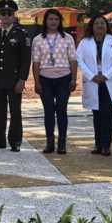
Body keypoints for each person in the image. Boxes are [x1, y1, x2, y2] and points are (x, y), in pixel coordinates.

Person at [0, 0, 32, 152]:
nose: (6, 16)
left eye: (9, 13)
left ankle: (15, 141)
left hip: (14, 80)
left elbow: (26, 60)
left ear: (13, 15)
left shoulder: (22, 34)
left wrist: (22, 80)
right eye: (3, 13)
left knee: (15, 111)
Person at [77, 16, 112, 156]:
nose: (100, 25)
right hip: (93, 81)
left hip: (109, 81)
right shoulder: (85, 42)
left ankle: (106, 145)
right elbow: (79, 60)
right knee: (97, 114)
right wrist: (91, 75)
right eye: (97, 23)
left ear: (107, 26)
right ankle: (98, 144)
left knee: (106, 114)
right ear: (92, 26)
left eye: (102, 23)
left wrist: (106, 75)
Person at [31, 9, 78, 155]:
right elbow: (36, 62)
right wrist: (37, 82)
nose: (53, 22)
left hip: (64, 78)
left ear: (60, 22)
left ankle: (62, 143)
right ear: (45, 21)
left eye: (56, 19)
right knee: (49, 111)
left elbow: (73, 60)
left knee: (61, 110)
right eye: (50, 19)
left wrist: (74, 79)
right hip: (45, 79)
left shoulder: (68, 38)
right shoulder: (38, 39)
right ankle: (49, 142)